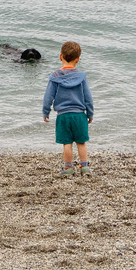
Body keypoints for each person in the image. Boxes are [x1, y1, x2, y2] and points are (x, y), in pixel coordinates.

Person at [42, 40, 93, 177]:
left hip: (63, 116)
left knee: (67, 143)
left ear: (60, 57)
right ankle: (84, 166)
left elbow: (48, 97)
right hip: (79, 115)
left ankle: (68, 168)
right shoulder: (81, 77)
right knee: (81, 142)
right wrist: (90, 113)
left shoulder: (54, 77)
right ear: (78, 59)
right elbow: (88, 97)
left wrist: (46, 111)